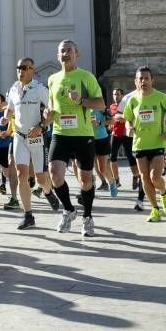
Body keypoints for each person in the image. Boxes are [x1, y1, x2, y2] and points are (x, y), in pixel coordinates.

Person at [43, 40, 105, 237]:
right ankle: (69, 210)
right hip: (60, 134)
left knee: (85, 180)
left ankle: (87, 217)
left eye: (69, 50)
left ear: (77, 54)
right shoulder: (52, 79)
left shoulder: (86, 77)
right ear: (57, 55)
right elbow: (51, 107)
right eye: (62, 50)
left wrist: (81, 100)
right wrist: (47, 115)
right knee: (54, 174)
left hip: (83, 135)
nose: (65, 53)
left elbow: (101, 104)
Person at [3, 58, 61, 230]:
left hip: (36, 137)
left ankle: (48, 191)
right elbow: (11, 108)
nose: (20, 70)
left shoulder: (39, 89)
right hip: (19, 136)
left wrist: (41, 126)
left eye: (24, 67)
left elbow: (52, 111)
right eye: (18, 67)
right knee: (21, 174)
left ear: (32, 70)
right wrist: (6, 114)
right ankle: (28, 215)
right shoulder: (14, 88)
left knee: (41, 177)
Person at [122, 66, 166, 222]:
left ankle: (165, 194)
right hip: (139, 144)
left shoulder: (161, 98)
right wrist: (128, 128)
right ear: (136, 82)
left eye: (146, 78)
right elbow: (127, 119)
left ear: (152, 80)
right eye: (140, 79)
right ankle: (154, 209)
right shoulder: (132, 100)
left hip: (158, 143)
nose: (143, 81)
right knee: (144, 178)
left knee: (155, 177)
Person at [108, 87, 139, 190]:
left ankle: (136, 176)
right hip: (115, 134)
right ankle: (116, 180)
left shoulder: (128, 104)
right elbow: (111, 119)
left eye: (118, 94)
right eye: (114, 94)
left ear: (122, 95)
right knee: (112, 157)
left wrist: (122, 118)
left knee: (131, 157)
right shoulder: (111, 107)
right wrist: (110, 124)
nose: (116, 96)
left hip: (126, 134)